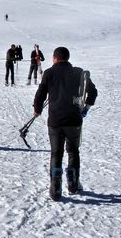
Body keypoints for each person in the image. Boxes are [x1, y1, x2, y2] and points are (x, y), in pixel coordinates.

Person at [33, 47, 97, 201]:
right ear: (67, 58)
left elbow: (40, 93)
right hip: (74, 119)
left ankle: (55, 188)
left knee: (56, 152)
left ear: (55, 58)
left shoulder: (49, 73)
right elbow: (93, 92)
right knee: (73, 151)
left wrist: (37, 109)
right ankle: (73, 184)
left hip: (55, 121)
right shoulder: (78, 72)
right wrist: (86, 108)